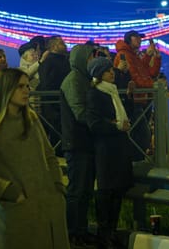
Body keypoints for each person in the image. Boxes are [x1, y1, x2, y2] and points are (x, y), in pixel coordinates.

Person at [0, 68, 68, 249]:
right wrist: (11, 193)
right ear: (5, 88)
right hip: (16, 214)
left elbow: (50, 155)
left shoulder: (31, 118)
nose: (26, 90)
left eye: (27, 86)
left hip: (48, 208)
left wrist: (57, 187)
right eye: (20, 86)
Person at [86, 57, 134, 248]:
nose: (112, 73)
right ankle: (104, 233)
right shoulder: (95, 93)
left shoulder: (113, 91)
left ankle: (112, 230)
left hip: (119, 146)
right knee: (106, 192)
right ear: (99, 74)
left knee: (118, 190)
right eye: (107, 71)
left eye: (111, 70)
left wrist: (129, 97)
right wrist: (115, 126)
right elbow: (94, 122)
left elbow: (123, 115)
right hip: (106, 148)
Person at [60, 44, 97, 246]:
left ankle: (81, 230)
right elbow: (80, 112)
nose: (92, 60)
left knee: (85, 190)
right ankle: (72, 231)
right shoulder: (73, 80)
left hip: (86, 141)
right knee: (77, 190)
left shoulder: (84, 79)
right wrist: (101, 121)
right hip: (76, 142)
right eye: (90, 57)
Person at [114, 30, 161, 160]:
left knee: (141, 133)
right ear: (130, 39)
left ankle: (137, 160)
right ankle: (136, 161)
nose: (140, 40)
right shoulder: (124, 55)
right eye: (137, 37)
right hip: (133, 101)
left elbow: (147, 72)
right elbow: (136, 78)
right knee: (142, 134)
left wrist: (155, 57)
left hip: (142, 99)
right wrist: (155, 86)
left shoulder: (133, 55)